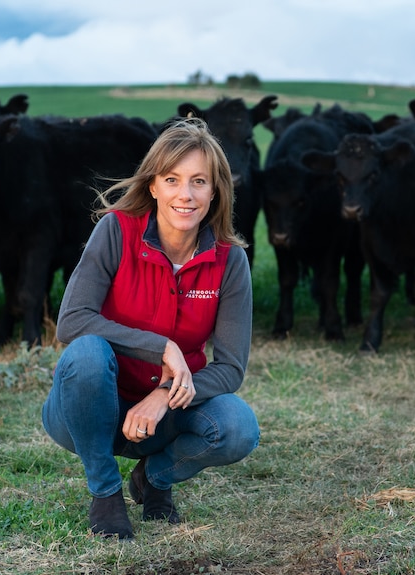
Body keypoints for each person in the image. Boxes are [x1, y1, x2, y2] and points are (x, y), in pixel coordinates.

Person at [42, 117, 260, 540]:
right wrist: (161, 347)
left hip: (167, 414)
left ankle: (155, 479)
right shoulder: (117, 230)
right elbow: (71, 321)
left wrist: (164, 394)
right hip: (88, 409)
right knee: (87, 353)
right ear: (154, 185)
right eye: (172, 179)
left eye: (199, 181)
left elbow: (231, 368)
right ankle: (105, 493)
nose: (186, 194)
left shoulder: (230, 260)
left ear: (215, 191)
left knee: (238, 428)